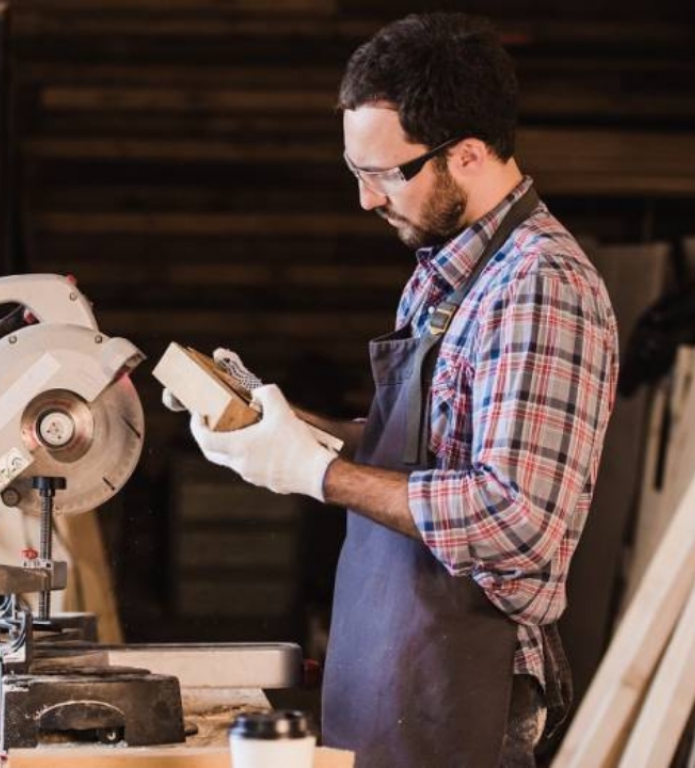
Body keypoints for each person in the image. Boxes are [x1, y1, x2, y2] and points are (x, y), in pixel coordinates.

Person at [171, 13, 618, 767]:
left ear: (469, 153)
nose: (367, 200)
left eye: (384, 173)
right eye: (356, 172)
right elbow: (424, 448)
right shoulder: (446, 273)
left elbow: (516, 519)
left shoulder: (540, 285)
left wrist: (319, 474)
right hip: (400, 665)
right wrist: (282, 426)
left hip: (466, 683)